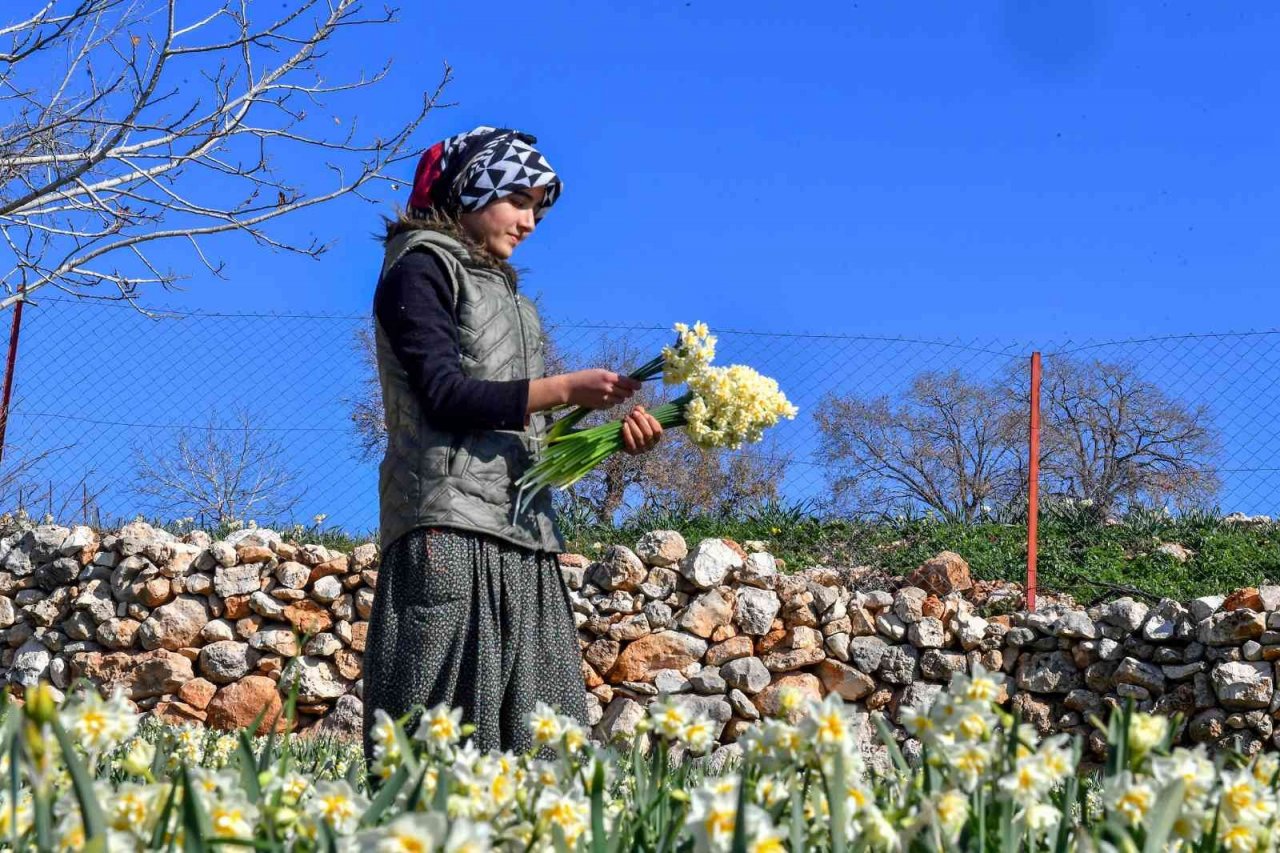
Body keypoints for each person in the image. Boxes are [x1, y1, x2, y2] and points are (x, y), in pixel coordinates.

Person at [362, 126, 663, 766]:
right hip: (447, 530)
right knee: (431, 749)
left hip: (524, 536)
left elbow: (525, 435)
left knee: (543, 750)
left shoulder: (511, 299)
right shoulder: (420, 269)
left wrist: (608, 434)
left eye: (539, 210)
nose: (529, 222)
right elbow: (444, 395)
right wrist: (561, 387)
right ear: (475, 188)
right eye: (519, 200)